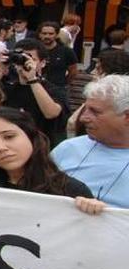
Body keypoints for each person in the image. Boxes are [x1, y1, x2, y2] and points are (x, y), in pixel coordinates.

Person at [0, 107, 105, 215]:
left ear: (31, 136)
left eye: (9, 137)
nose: (1, 147)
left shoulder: (69, 189)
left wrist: (93, 211)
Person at [52, 75, 129, 208]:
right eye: (85, 109)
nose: (83, 118)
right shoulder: (67, 149)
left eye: (95, 112)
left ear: (127, 116)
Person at [0, 38, 66, 143]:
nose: (24, 62)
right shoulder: (8, 87)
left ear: (43, 63)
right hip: (10, 144)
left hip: (40, 145)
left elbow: (51, 113)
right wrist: (1, 70)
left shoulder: (53, 89)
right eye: (22, 58)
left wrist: (32, 79)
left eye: (31, 59)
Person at [39, 22, 79, 93]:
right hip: (37, 88)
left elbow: (73, 71)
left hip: (58, 90)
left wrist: (64, 84)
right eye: (44, 33)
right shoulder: (35, 50)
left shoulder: (66, 51)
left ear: (57, 35)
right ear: (40, 34)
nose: (47, 36)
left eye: (51, 34)